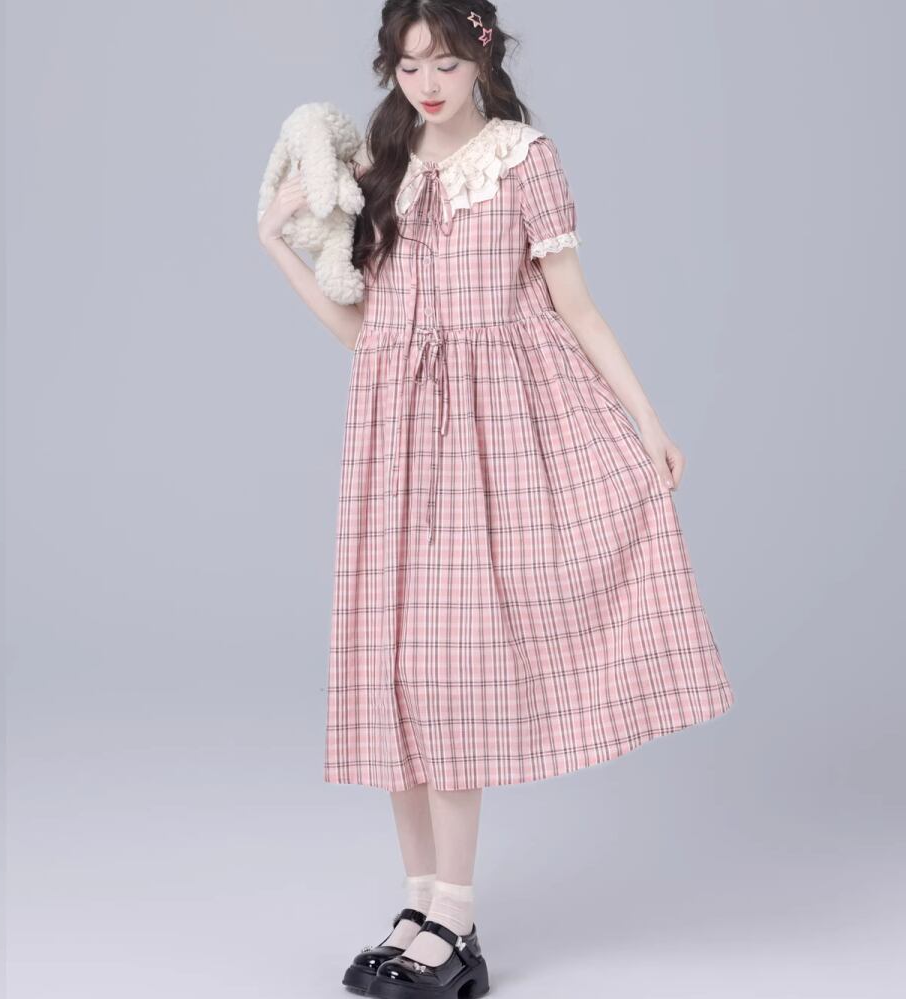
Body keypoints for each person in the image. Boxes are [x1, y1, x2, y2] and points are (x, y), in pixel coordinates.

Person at [257, 3, 735, 995]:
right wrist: (276, 244)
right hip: (395, 444)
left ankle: (458, 921)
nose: (427, 83)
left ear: (482, 57)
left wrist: (646, 420)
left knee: (449, 675)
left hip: (498, 441)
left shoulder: (523, 160)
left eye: (444, 61)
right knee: (395, 673)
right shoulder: (382, 174)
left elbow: (575, 305)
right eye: (408, 65)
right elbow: (368, 335)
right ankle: (418, 902)